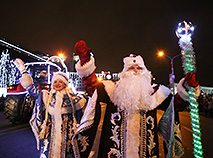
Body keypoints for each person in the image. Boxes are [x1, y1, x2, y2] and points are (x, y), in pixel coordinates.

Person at [72, 40, 200, 158]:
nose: (135, 71)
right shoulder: (112, 90)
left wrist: (187, 89)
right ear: (124, 72)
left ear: (145, 72)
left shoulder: (157, 92)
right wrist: (85, 63)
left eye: (139, 68)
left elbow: (175, 105)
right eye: (131, 68)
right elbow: (91, 86)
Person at [13, 58, 86, 158]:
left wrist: (78, 132)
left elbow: (80, 117)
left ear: (65, 84)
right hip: (50, 136)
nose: (57, 84)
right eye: (55, 82)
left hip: (68, 138)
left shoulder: (73, 99)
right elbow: (31, 90)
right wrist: (23, 71)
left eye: (61, 82)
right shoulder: (47, 96)